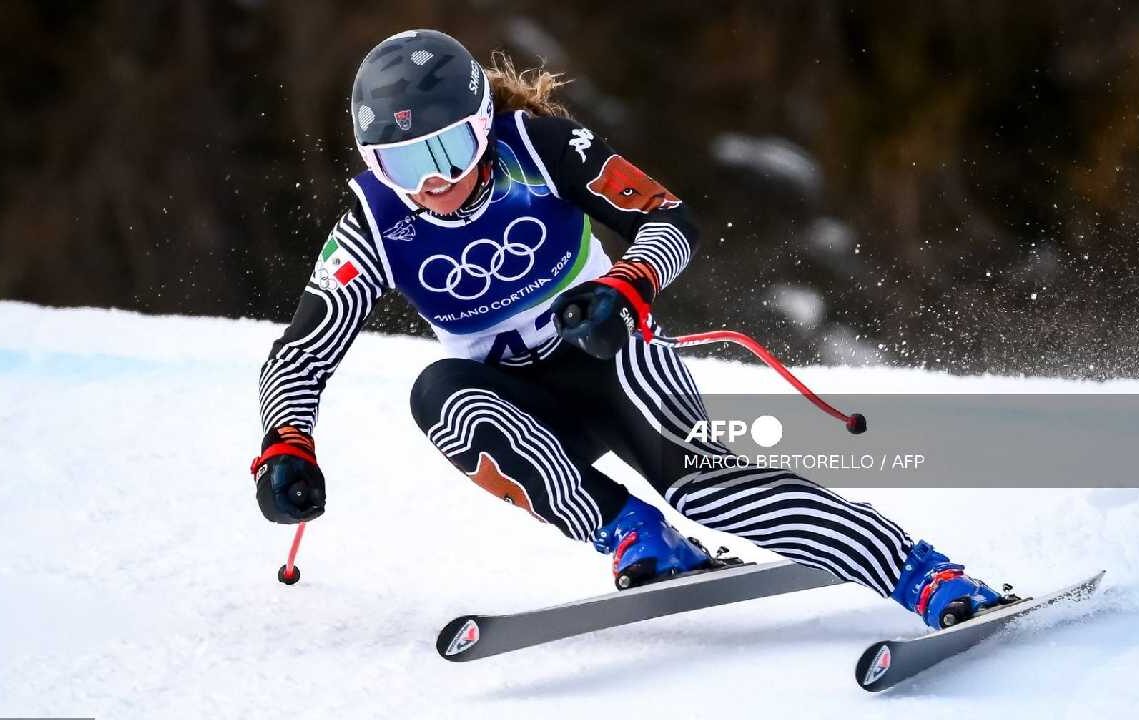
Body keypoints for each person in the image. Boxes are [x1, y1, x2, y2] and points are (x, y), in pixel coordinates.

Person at [251, 29, 1010, 629]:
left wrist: (626, 285)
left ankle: (921, 572)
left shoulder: (541, 150)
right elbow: (300, 354)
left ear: (482, 125)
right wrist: (285, 444)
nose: (432, 183)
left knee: (707, 490)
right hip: (527, 412)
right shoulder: (374, 225)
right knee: (440, 395)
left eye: (447, 150)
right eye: (400, 163)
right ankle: (630, 531)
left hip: (615, 357)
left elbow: (670, 219)